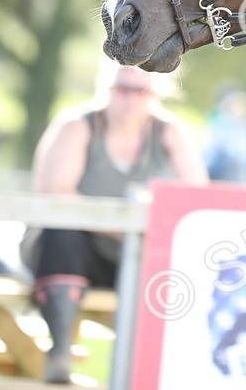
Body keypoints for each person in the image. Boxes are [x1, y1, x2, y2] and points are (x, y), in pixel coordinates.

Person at [28, 60, 207, 383]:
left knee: (179, 261)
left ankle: (165, 371)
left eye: (139, 90)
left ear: (154, 93)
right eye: (122, 88)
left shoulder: (169, 133)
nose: (130, 98)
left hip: (135, 255)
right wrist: (125, 227)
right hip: (74, 251)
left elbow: (196, 200)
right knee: (62, 233)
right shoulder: (78, 126)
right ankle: (60, 351)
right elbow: (55, 195)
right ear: (107, 88)